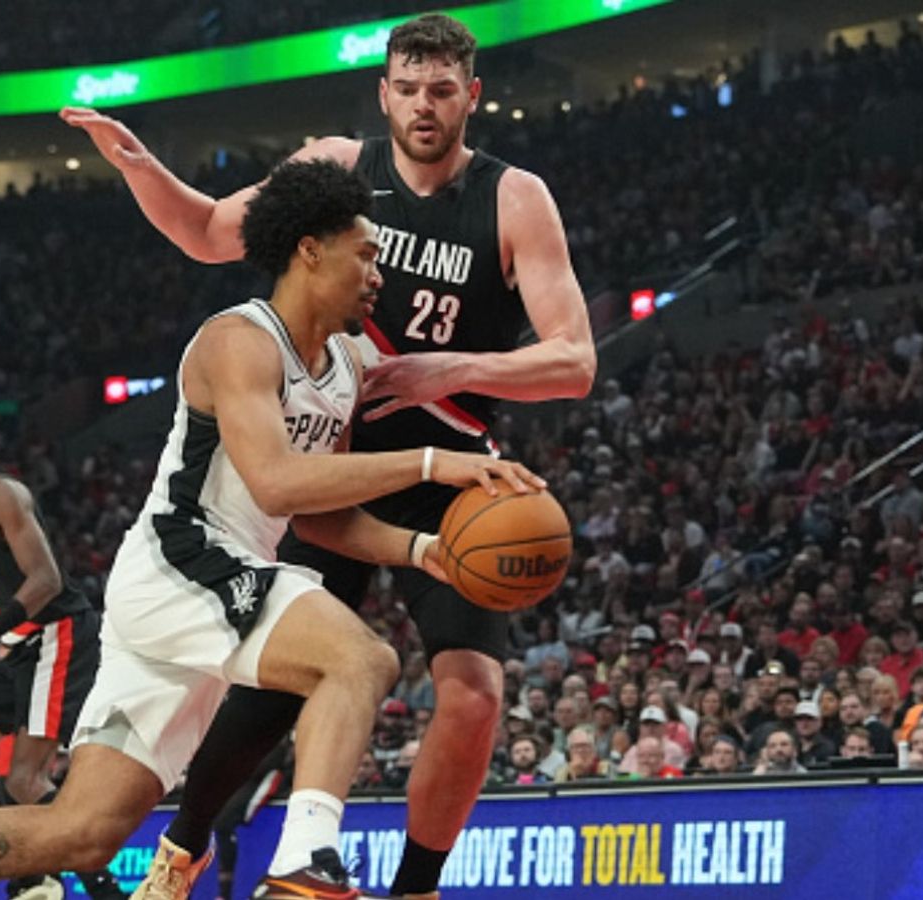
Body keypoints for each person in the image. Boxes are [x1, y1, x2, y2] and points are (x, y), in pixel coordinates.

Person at [0, 161, 539, 900]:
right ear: (309, 249)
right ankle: (306, 864)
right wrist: (436, 463)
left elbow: (316, 512)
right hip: (185, 561)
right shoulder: (240, 339)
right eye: (367, 256)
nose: (379, 275)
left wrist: (422, 549)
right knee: (361, 659)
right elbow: (274, 479)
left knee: (83, 833)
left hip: (196, 587)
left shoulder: (347, 362)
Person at [61, 13, 595, 897]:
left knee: (473, 694)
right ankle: (180, 853)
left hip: (450, 473)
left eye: (443, 90)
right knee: (274, 691)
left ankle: (416, 887)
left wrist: (442, 370)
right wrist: (137, 163)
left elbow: (574, 362)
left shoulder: (514, 198)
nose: (425, 106)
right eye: (409, 88)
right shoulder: (338, 168)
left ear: (473, 95)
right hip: (327, 467)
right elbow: (204, 233)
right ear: (384, 92)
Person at [0, 408, 122, 900]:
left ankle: (106, 891)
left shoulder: (2, 493)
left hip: (56, 633)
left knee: (25, 779)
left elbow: (47, 580)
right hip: (21, 648)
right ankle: (32, 871)